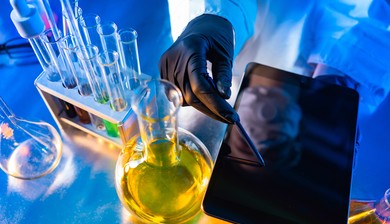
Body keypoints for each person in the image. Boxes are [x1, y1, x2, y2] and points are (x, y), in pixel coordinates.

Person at [159, 0, 390, 121]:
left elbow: (378, 7)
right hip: (223, 45)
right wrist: (214, 16)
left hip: (325, 67)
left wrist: (342, 70)